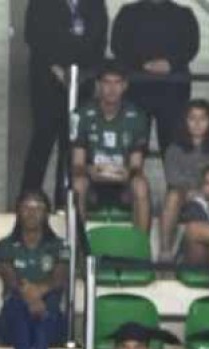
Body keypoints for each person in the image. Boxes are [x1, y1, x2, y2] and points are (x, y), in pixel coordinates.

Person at [21, 0, 109, 193]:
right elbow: (32, 35)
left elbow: (100, 38)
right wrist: (55, 67)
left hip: (81, 81)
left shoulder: (95, 3)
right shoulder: (41, 3)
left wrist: (86, 73)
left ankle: (66, 199)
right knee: (43, 138)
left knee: (72, 141)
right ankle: (28, 198)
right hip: (47, 80)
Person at [0, 189, 69, 349]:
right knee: (18, 307)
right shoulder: (5, 246)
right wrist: (30, 295)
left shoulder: (59, 246)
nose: (32, 212)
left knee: (48, 306)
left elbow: (59, 278)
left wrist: (37, 294)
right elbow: (9, 277)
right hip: (11, 323)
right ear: (18, 212)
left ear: (47, 213)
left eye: (38, 207)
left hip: (51, 321)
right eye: (26, 207)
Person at [71, 61, 153, 232]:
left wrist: (127, 173)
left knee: (141, 185)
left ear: (125, 86)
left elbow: (137, 166)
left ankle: (141, 250)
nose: (112, 88)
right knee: (78, 184)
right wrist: (90, 170)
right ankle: (78, 250)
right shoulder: (81, 114)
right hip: (93, 183)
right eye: (107, 82)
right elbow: (77, 164)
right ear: (98, 85)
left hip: (123, 184)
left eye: (117, 83)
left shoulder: (137, 116)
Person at [109, 0, 202, 152]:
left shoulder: (184, 14)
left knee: (175, 151)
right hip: (136, 91)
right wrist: (142, 65)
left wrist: (171, 64)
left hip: (173, 93)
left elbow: (192, 46)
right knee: (132, 151)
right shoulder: (128, 13)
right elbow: (117, 46)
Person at [160, 99, 209, 250]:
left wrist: (201, 191)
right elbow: (173, 178)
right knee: (173, 195)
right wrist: (192, 190)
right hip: (184, 199)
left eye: (203, 118)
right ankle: (165, 252)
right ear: (185, 122)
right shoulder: (174, 149)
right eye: (192, 118)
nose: (197, 123)